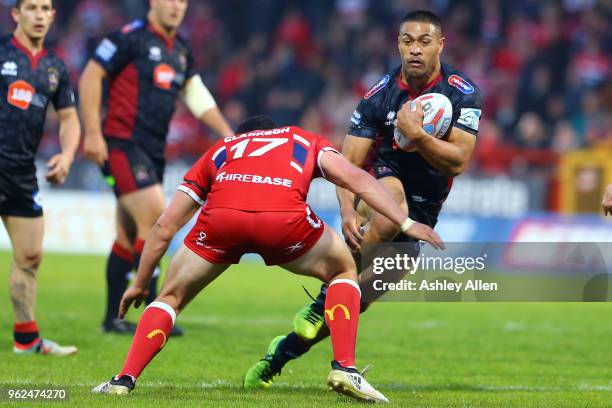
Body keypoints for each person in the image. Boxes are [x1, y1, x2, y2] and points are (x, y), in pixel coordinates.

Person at [92, 116, 444, 403]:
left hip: (222, 221)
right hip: (282, 221)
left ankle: (124, 379)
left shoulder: (224, 148)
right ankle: (344, 368)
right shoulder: (303, 139)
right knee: (342, 270)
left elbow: (164, 226)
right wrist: (406, 221)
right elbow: (358, 179)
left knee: (169, 297)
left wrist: (139, 284)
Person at [244, 10, 482, 388]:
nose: (415, 49)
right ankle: (324, 297)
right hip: (381, 183)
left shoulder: (462, 92)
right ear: (398, 45)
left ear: (440, 44)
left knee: (358, 298)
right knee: (390, 213)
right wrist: (346, 211)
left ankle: (281, 354)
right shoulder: (379, 94)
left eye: (424, 41)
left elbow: (458, 161)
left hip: (426, 211)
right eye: (407, 41)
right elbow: (346, 163)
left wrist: (417, 136)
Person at [79, 0, 233, 335]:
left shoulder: (179, 50)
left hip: (152, 152)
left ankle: (113, 319)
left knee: (128, 234)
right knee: (154, 218)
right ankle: (154, 311)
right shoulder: (128, 37)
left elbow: (197, 96)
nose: (177, 6)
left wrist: (227, 134)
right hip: (121, 144)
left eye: (182, 1)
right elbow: (91, 75)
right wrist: (91, 132)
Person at [0, 0, 79, 355]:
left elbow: (69, 119)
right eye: (30, 7)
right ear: (16, 14)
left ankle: (27, 340)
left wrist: (67, 153)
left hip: (21, 173)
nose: (38, 14)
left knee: (30, 256)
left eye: (44, 8)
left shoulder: (55, 68)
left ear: (52, 16)